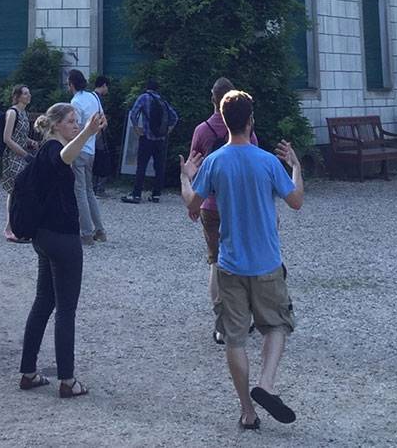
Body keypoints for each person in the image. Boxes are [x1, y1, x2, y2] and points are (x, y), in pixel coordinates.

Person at [180, 89, 303, 431]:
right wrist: (296, 166)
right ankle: (265, 384)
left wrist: (185, 174)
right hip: (266, 262)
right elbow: (296, 201)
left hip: (229, 263)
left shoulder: (216, 160)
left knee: (234, 339)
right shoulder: (266, 161)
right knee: (276, 325)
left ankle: (248, 411)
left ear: (222, 117)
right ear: (251, 121)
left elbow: (193, 203)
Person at [18, 100, 107, 397]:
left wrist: (88, 133)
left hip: (44, 237)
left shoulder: (46, 151)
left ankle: (29, 372)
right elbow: (65, 157)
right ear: (56, 124)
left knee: (44, 302)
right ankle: (67, 380)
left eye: (78, 121)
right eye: (71, 121)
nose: (76, 125)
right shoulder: (54, 150)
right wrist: (88, 134)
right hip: (61, 237)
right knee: (65, 309)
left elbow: (68, 155)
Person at [189, 76, 258, 343]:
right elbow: (256, 165)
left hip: (211, 204)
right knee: (243, 259)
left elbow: (194, 167)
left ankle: (221, 324)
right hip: (241, 205)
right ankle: (245, 317)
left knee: (216, 262)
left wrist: (193, 202)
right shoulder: (247, 130)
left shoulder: (202, 130)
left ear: (213, 98)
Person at [122, 79, 179, 202]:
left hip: (147, 138)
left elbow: (133, 114)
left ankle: (137, 194)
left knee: (141, 166)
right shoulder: (162, 100)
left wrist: (137, 129)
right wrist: (168, 129)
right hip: (160, 139)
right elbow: (174, 116)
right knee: (159, 167)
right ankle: (156, 195)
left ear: (147, 87)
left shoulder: (143, 98)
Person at [67, 69, 107, 243]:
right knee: (89, 191)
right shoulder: (93, 97)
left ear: (71, 84)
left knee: (80, 192)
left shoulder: (75, 102)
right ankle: (100, 230)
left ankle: (86, 233)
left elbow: (74, 127)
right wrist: (93, 136)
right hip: (91, 149)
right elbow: (102, 121)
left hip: (80, 148)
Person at [2, 84, 36, 241]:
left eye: (28, 93)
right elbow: (7, 138)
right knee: (14, 191)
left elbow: (20, 136)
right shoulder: (13, 112)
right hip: (14, 157)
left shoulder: (24, 113)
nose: (28, 96)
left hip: (22, 155)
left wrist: (31, 142)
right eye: (25, 93)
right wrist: (24, 153)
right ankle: (10, 228)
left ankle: (17, 226)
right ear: (18, 96)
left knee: (20, 192)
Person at [91, 75, 114, 197]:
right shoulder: (98, 99)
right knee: (102, 159)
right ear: (104, 85)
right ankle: (99, 188)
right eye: (107, 87)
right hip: (99, 133)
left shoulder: (91, 97)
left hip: (93, 133)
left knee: (96, 159)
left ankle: (94, 187)